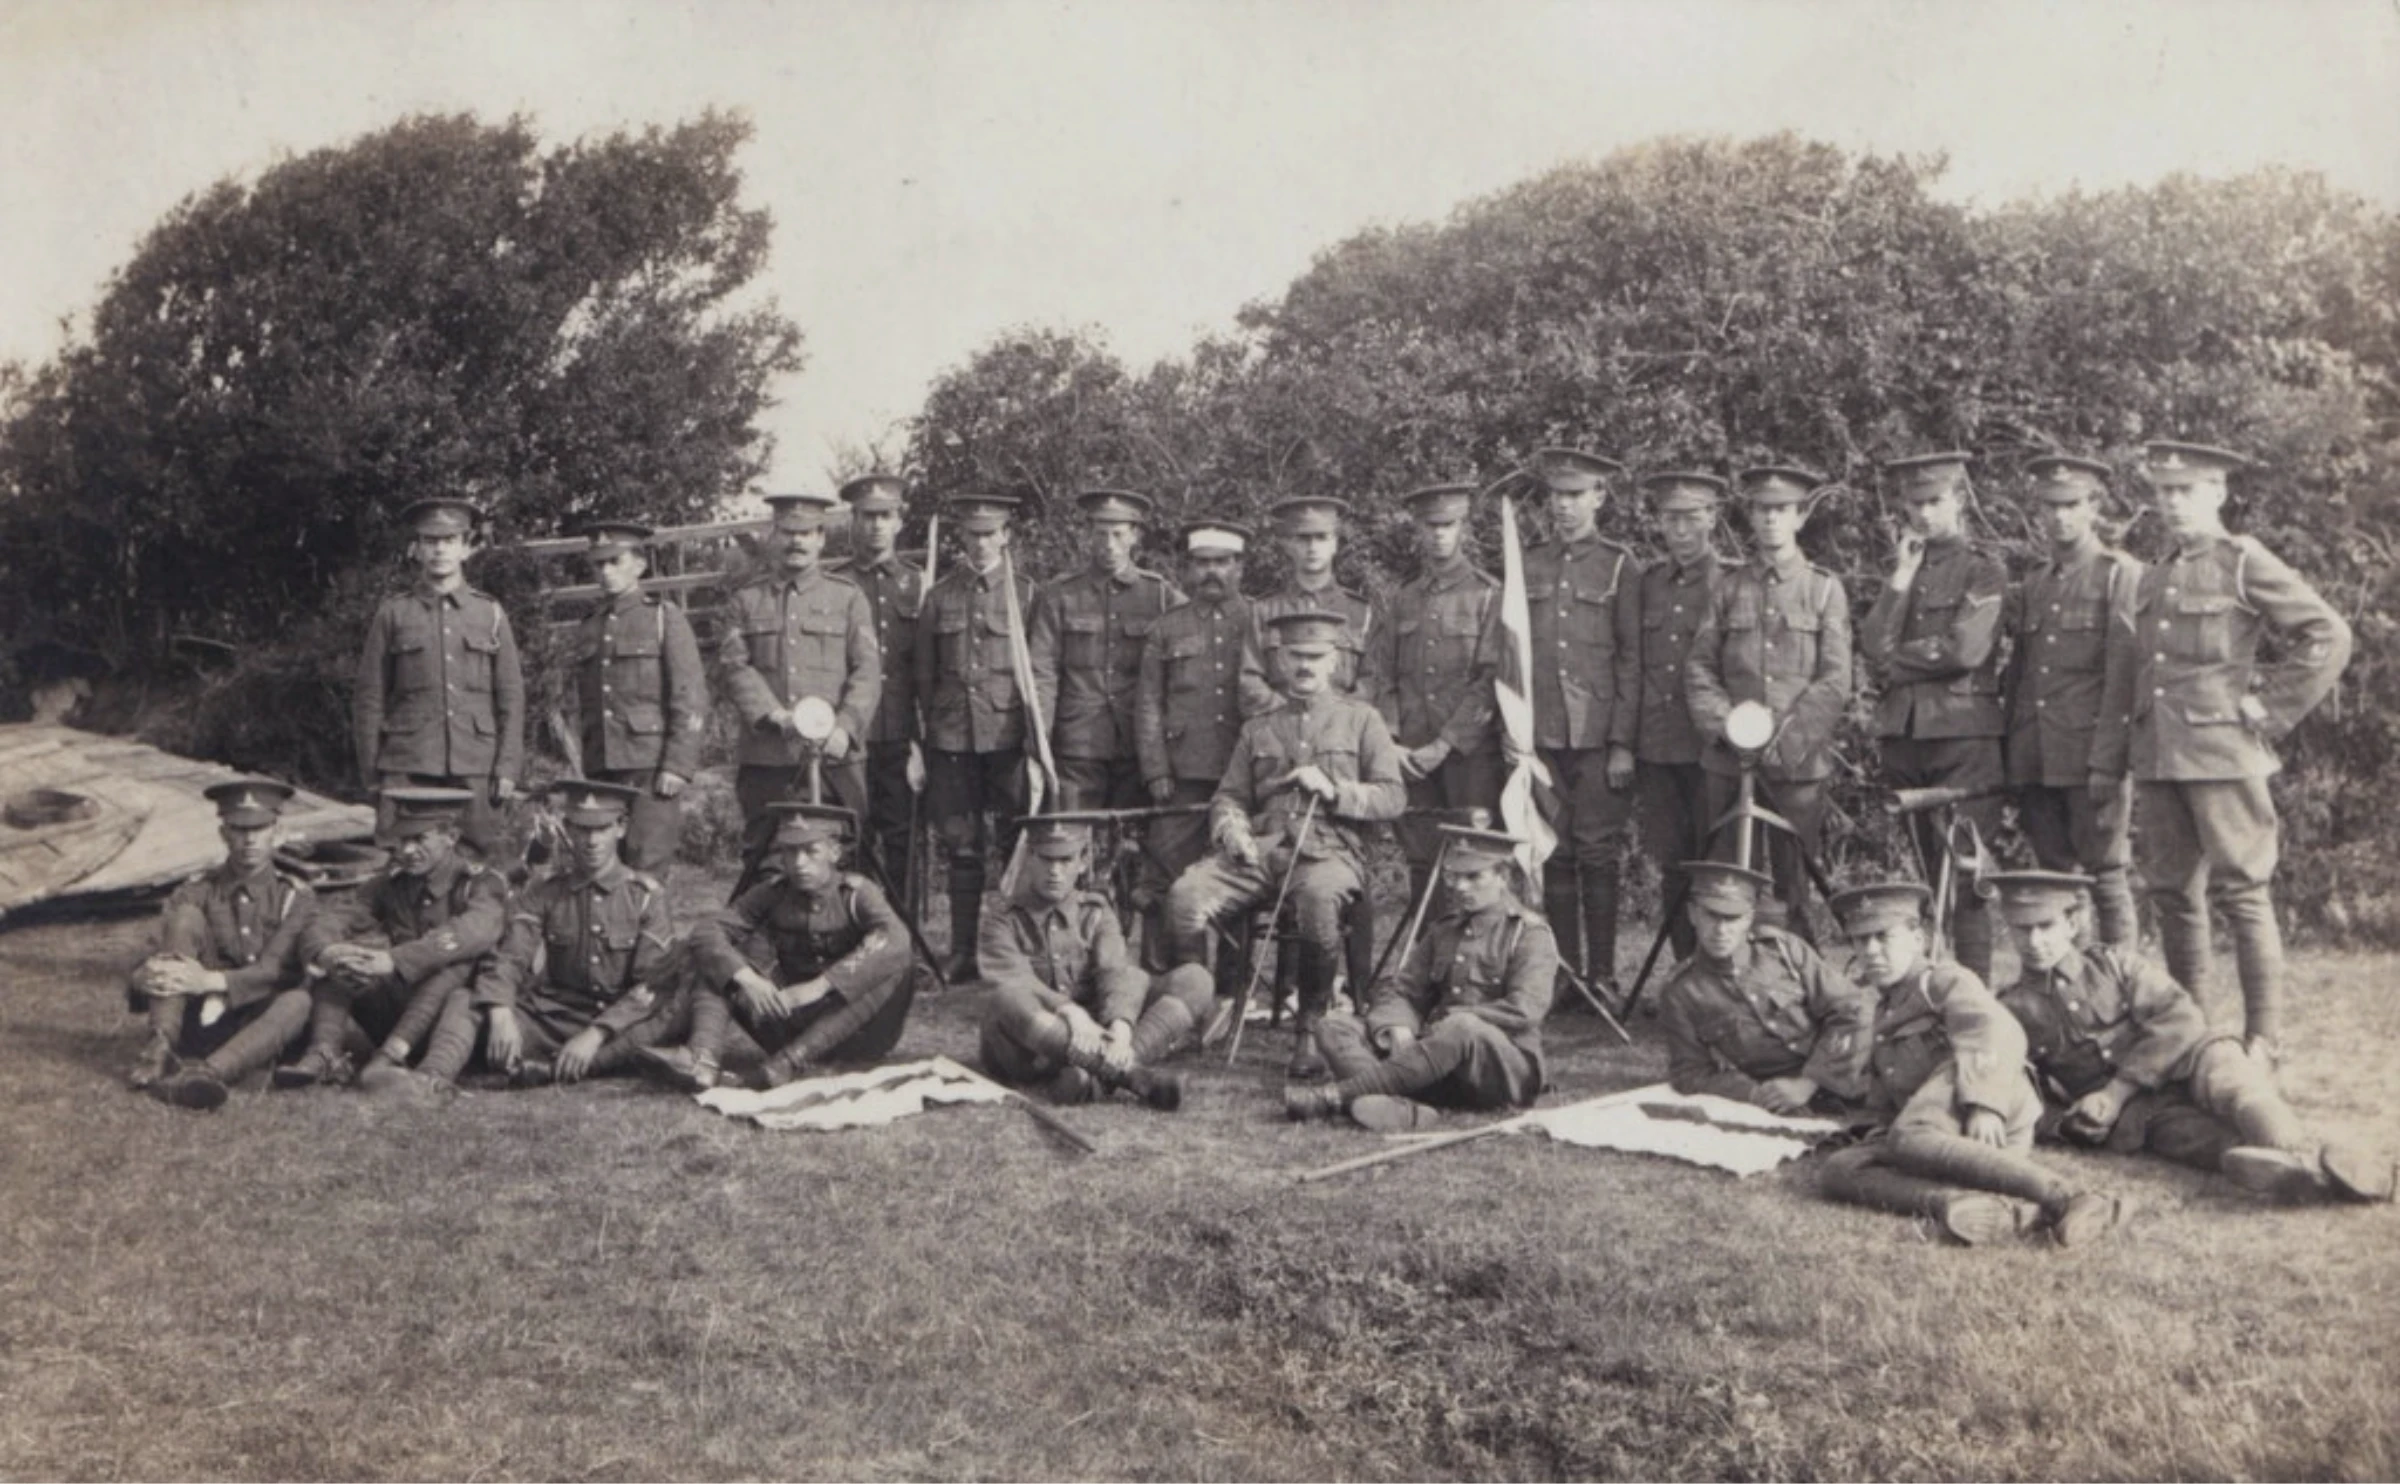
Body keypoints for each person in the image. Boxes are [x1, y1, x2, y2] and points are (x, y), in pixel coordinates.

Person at [2091, 441, 2352, 1064]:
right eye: (2164, 491)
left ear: (2218, 494)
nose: (2174, 503)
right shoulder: (2153, 572)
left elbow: (2329, 633)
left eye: (2187, 490)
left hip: (2223, 754)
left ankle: (2263, 1039)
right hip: (2158, 755)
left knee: (2242, 892)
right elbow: (2134, 674)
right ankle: (2191, 1032)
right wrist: (2118, 755)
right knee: (2173, 893)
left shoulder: (2242, 560)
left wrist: (2272, 705)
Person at [1987, 870, 2391, 1204]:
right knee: (2217, 1147)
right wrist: (2066, 1125)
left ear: (2072, 924)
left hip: (2190, 1059)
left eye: (2046, 926)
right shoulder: (2010, 1010)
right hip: (2145, 1116)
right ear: (2009, 930)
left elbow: (2180, 1017)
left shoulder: (2114, 965)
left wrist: (2114, 1092)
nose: (2035, 942)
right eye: (2022, 930)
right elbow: (2020, 1096)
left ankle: (2302, 1156)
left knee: (2237, 1088)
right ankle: (2323, 1176)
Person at [1161, 610, 1408, 1078]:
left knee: (1318, 901)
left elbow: (1393, 796)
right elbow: (1230, 795)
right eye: (1296, 655)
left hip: (1329, 852)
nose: (1305, 665)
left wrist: (1335, 790)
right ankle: (1192, 1010)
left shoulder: (1362, 720)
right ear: (1280, 660)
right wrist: (1232, 829)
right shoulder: (1259, 727)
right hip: (1260, 851)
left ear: (1335, 661)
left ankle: (1310, 1030)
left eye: (1316, 656)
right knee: (1184, 898)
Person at [1815, 881, 2125, 1248]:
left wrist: (1984, 1104)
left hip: (1989, 1114)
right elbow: (1888, 1100)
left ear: (1917, 937)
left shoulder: (1944, 980)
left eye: (1883, 936)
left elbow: (1996, 1030)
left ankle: (2073, 1197)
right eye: (1860, 940)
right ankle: (1968, 1206)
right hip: (1935, 1132)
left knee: (1908, 1135)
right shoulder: (1885, 1010)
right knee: (1840, 1169)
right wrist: (1868, 1134)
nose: (1870, 951)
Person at [1285, 824, 1557, 1132]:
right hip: (1437, 1064)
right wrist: (1396, 1028)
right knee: (1333, 1025)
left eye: (1474, 877)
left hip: (1502, 1071)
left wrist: (1453, 1020)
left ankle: (1335, 1096)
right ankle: (1404, 1106)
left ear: (1503, 877)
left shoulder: (1529, 934)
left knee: (1462, 1026)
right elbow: (1403, 990)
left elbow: (1525, 1009)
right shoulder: (1444, 930)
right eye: (1455, 877)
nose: (1461, 887)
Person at [1860, 452, 2008, 984]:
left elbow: (1965, 649)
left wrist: (1895, 661)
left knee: (1966, 877)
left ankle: (1976, 996)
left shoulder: (1983, 568)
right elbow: (1871, 643)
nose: (1923, 514)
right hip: (1906, 737)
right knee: (1927, 875)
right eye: (1914, 504)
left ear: (1959, 501)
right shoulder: (1907, 568)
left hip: (1963, 738)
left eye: (1935, 501)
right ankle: (1933, 991)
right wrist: (1900, 577)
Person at [1684, 465, 1852, 930]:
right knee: (1726, 881)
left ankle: (1799, 981)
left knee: (1794, 880)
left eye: (1782, 510)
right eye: (1762, 510)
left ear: (1799, 518)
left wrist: (1787, 740)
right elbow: (1700, 666)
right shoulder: (1728, 587)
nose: (1771, 520)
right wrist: (1728, 728)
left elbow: (1835, 678)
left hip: (1796, 765)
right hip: (1729, 760)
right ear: (1751, 518)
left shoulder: (1823, 589)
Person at [667, 802, 916, 1091]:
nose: (799, 863)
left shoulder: (858, 894)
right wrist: (747, 979)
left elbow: (897, 939)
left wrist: (821, 986)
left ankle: (787, 1064)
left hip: (861, 1033)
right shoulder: (773, 892)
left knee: (896, 961)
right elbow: (707, 930)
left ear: (834, 853)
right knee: (717, 960)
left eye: (811, 851)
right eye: (790, 851)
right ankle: (704, 1061)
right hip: (792, 1020)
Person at [278, 787, 505, 1095]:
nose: (407, 850)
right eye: (402, 840)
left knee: (454, 967)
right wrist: (328, 951)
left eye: (419, 839)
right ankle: (325, 1054)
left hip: (454, 1022)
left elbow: (476, 931)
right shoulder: (393, 883)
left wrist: (395, 960)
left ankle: (408, 1067)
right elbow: (333, 916)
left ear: (450, 836)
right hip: (403, 1010)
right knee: (346, 965)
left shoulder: (478, 883)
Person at [2000, 456, 2141, 947]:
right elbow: (2021, 675)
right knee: (2055, 880)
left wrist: (2110, 759)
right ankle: (2072, 984)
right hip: (2036, 755)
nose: (2060, 516)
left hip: (2089, 756)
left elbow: (2125, 677)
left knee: (2106, 877)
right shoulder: (2037, 581)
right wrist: (2010, 755)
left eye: (2072, 505)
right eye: (2050, 506)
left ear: (2094, 508)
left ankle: (2122, 985)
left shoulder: (2116, 575)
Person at [978, 817, 1207, 1109]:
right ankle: (1137, 1077)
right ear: (1029, 859)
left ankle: (1097, 1076)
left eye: (1066, 860)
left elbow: (1115, 970)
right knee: (1007, 997)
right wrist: (1070, 1011)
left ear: (1083, 862)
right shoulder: (1001, 919)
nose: (1055, 872)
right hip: (1029, 1048)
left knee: (1195, 979)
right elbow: (1016, 979)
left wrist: (1121, 1026)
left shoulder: (1095, 911)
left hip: (1091, 1037)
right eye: (1046, 859)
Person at [464, 780, 681, 1088]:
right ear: (568, 829)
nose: (592, 841)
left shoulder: (646, 896)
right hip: (554, 1017)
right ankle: (429, 1078)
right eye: (582, 829)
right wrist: (500, 1011)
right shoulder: (546, 890)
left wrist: (596, 1034)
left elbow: (652, 985)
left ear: (621, 828)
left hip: (619, 1021)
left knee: (664, 1023)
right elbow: (511, 954)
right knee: (468, 1007)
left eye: (602, 829)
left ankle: (551, 1069)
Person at [1520, 448, 1641, 995]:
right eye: (1556, 496)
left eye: (1576, 495)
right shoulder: (1529, 563)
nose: (1564, 507)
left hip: (1596, 735)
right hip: (1542, 735)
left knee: (1597, 850)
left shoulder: (1619, 564)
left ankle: (1604, 974)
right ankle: (1566, 973)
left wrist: (1620, 743)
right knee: (1556, 851)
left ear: (1599, 497)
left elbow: (1630, 658)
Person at [717, 491, 881, 883]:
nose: (797, 542)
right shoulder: (746, 599)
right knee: (766, 854)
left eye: (807, 533)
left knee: (847, 851)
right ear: (774, 535)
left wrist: (846, 727)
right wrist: (773, 714)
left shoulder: (847, 597)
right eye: (788, 532)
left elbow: (868, 669)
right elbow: (733, 665)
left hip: (836, 757)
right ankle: (769, 942)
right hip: (769, 755)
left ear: (822, 538)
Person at [126, 778, 319, 1110]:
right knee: (184, 918)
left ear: (277, 831)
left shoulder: (295, 896)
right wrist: (142, 976)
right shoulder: (196, 890)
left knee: (300, 1000)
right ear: (223, 834)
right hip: (198, 1021)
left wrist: (210, 981)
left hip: (261, 1022)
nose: (250, 840)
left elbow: (277, 970)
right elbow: (155, 955)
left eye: (260, 828)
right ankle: (159, 1046)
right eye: (239, 829)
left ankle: (209, 1074)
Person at [353, 496, 524, 858]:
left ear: (466, 548)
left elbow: (510, 696)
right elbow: (370, 698)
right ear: (416, 549)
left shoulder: (489, 613)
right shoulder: (394, 613)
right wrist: (372, 774)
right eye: (431, 541)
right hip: (408, 765)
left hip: (476, 765)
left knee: (480, 863)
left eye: (450, 541)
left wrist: (507, 766)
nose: (440, 550)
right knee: (403, 862)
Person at [915, 493, 1033, 980]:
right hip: (952, 738)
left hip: (1007, 738)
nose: (981, 543)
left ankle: (1010, 952)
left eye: (990, 533)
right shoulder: (939, 595)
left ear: (1005, 536)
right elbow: (924, 674)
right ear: (960, 538)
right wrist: (924, 740)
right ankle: (962, 952)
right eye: (972, 534)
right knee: (961, 847)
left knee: (1013, 846)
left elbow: (1037, 672)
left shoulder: (1025, 593)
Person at [1371, 481, 1502, 907]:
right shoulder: (1404, 599)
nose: (1439, 534)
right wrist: (1392, 742)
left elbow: (1490, 680)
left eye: (1448, 525)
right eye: (1430, 525)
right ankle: (1427, 966)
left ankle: (1474, 966)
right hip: (1410, 757)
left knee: (1473, 860)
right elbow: (1383, 675)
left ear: (1463, 527)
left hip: (1467, 756)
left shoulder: (1486, 595)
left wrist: (1444, 744)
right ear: (1418, 530)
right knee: (1422, 863)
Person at [1654, 861, 1870, 1114]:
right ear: (1692, 914)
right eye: (1711, 915)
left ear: (1749, 918)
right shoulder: (1682, 991)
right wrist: (1754, 1094)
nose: (1721, 930)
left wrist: (1810, 1082)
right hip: (1777, 1097)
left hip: (1842, 1071)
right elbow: (1690, 1073)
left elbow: (1851, 1007)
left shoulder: (1783, 950)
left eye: (1732, 917)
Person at [1134, 519, 1255, 946]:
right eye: (1202, 562)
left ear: (1239, 567)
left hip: (1245, 772)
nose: (1212, 572)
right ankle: (1166, 971)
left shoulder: (1258, 621)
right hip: (1183, 771)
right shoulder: (1168, 628)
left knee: (1240, 873)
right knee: (1164, 870)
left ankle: (1230, 982)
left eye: (1222, 562)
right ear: (1188, 568)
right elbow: (1149, 703)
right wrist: (1155, 770)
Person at [1028, 489, 1184, 812]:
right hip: (1077, 745)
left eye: (1118, 534)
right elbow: (1042, 674)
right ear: (1088, 535)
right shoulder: (1060, 596)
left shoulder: (1159, 597)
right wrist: (1038, 744)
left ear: (1135, 536)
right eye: (1100, 534)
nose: (1109, 544)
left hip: (1135, 746)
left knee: (1130, 844)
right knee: (1074, 838)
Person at [567, 520, 707, 873]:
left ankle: (652, 929)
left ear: (640, 566)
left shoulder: (663, 617)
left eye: (616, 561)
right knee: (604, 863)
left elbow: (689, 694)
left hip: (650, 764)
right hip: (601, 764)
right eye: (599, 564)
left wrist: (677, 763)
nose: (606, 571)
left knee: (647, 861)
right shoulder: (589, 625)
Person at [1632, 470, 1732, 961]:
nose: (1681, 530)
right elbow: (1632, 662)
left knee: (1717, 861)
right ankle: (1684, 966)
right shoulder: (1649, 583)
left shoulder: (1732, 582)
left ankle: (1720, 967)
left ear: (1711, 519)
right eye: (1671, 519)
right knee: (1671, 862)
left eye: (1691, 518)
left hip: (1713, 747)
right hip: (1658, 744)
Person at [832, 473, 927, 893]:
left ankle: (904, 935)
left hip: (902, 730)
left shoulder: (918, 583)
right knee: (852, 833)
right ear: (854, 520)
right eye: (867, 516)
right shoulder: (836, 585)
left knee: (903, 836)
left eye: (885, 516)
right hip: (851, 732)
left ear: (899, 521)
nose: (876, 525)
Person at [1239, 495, 1377, 713]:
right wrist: (1289, 716)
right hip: (1280, 732)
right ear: (1288, 545)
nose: (1312, 547)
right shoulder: (1263, 611)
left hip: (1341, 735)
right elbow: (1249, 680)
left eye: (1321, 537)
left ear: (1335, 544)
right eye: (1303, 538)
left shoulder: (1360, 612)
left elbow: (1372, 682)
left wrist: (1337, 719)